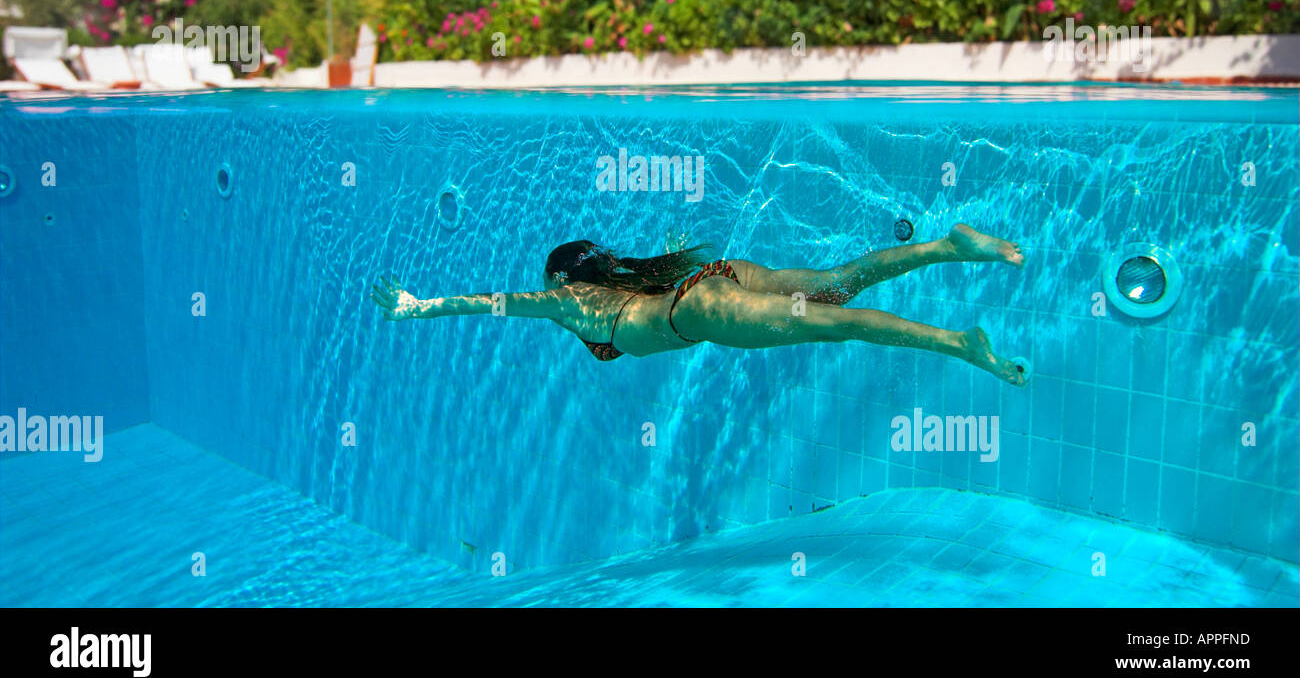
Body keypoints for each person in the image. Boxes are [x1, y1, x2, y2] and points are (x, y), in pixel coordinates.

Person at [370, 223, 1029, 385]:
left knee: (840, 324)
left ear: (563, 279)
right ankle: (949, 243)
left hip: (702, 311)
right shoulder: (624, 281)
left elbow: (495, 303)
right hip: (720, 278)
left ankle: (959, 345)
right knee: (839, 282)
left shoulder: (569, 302)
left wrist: (417, 307)